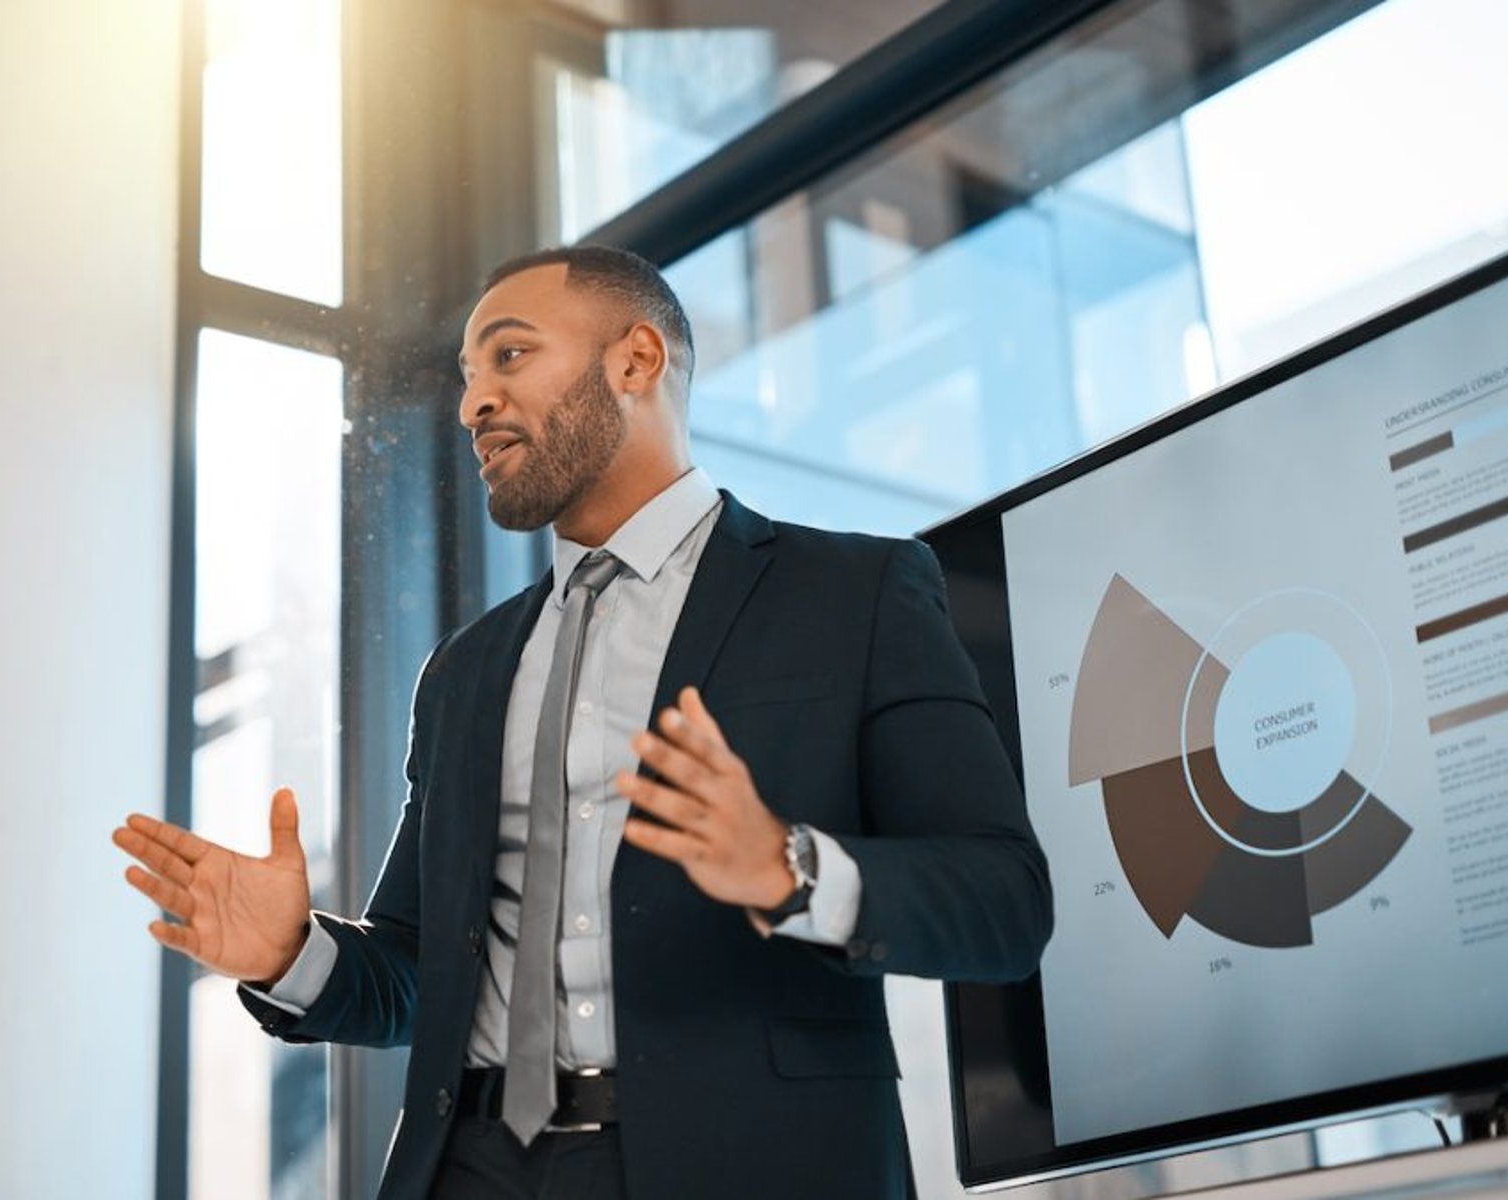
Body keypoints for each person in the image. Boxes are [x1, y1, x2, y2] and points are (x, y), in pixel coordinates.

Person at [113, 246, 1052, 1200]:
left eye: (509, 358)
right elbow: (416, 974)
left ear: (636, 361)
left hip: (751, 1164)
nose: (473, 404)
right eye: (466, 378)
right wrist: (294, 954)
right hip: (472, 1168)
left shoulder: (858, 596)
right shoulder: (463, 672)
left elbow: (1004, 905)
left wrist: (788, 866)